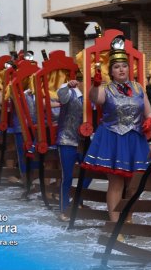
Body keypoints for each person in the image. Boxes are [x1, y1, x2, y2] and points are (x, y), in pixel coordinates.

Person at [81, 35, 151, 223]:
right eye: (116, 67)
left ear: (129, 68)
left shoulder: (138, 88)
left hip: (134, 140)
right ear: (111, 71)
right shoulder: (106, 89)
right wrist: (95, 85)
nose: (121, 69)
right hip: (113, 138)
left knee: (133, 185)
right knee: (116, 182)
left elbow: (150, 113)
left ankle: (128, 218)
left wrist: (148, 121)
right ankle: (115, 224)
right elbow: (95, 99)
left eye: (124, 66)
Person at [56, 76, 91, 222]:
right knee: (67, 177)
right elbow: (61, 95)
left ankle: (77, 201)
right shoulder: (71, 92)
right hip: (67, 140)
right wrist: (67, 86)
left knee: (89, 173)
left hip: (87, 142)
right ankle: (64, 210)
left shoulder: (93, 95)